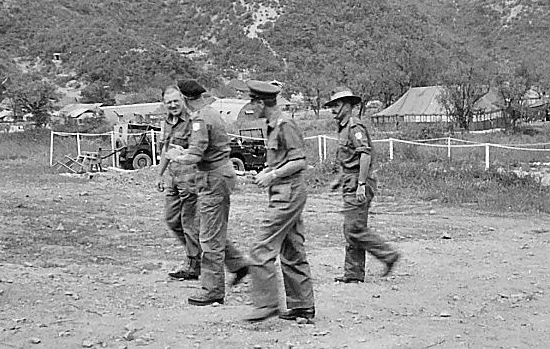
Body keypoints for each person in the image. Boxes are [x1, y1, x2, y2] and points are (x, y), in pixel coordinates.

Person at [165, 79, 249, 306]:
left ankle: (212, 290)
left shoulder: (200, 120)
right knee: (210, 227)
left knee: (209, 235)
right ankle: (238, 264)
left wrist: (177, 156)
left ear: (185, 98)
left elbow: (196, 154)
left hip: (212, 178)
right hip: (217, 174)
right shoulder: (210, 114)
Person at [243, 80, 315, 323]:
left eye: (253, 102)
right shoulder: (273, 126)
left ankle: (267, 304)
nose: (251, 107)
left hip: (289, 194)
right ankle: (302, 306)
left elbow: (300, 162)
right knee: (292, 247)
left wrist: (272, 175)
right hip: (283, 192)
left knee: (261, 247)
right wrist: (267, 170)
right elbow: (283, 160)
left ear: (262, 102)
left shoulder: (285, 125)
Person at [324, 87, 400, 283]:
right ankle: (353, 274)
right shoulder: (343, 128)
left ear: (348, 106)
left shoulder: (354, 127)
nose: (334, 109)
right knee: (353, 227)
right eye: (332, 106)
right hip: (350, 180)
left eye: (337, 105)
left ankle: (388, 255)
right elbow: (350, 159)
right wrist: (339, 180)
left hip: (359, 182)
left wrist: (360, 184)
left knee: (353, 229)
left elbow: (364, 155)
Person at [155, 85, 200, 281]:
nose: (172, 105)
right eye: (168, 102)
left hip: (189, 179)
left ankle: (193, 263)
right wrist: (159, 175)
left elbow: (198, 150)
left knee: (189, 223)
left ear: (183, 100)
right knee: (172, 220)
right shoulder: (168, 121)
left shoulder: (193, 120)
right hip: (173, 179)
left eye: (176, 101)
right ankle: (198, 255)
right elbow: (167, 149)